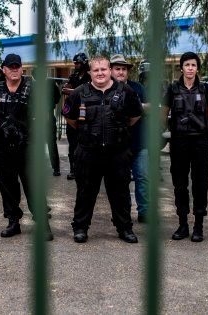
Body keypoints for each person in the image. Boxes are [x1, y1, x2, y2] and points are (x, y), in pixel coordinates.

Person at [62, 56, 142, 243]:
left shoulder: (125, 91)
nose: (100, 73)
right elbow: (70, 118)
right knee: (85, 193)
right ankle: (80, 228)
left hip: (118, 152)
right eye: (96, 70)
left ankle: (125, 229)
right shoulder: (79, 93)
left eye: (104, 69)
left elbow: (135, 115)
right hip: (88, 152)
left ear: (110, 70)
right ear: (90, 72)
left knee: (120, 193)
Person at [0, 54, 54, 241]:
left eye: (17, 66)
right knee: (7, 185)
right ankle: (13, 222)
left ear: (22, 69)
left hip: (28, 147)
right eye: (10, 67)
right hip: (3, 147)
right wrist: (0, 131)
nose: (14, 69)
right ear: (3, 70)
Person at [162, 52, 208, 242]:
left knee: (201, 182)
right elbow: (164, 114)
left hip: (201, 141)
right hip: (179, 142)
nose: (190, 68)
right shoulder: (172, 89)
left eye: (194, 65)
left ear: (197, 68)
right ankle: (183, 224)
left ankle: (198, 226)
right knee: (180, 183)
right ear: (182, 68)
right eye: (187, 65)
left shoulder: (206, 89)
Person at [110, 54, 148, 223]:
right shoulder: (106, 88)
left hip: (139, 142)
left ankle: (144, 211)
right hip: (117, 144)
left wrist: (134, 108)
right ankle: (123, 214)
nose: (121, 72)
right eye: (117, 69)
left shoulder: (137, 87)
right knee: (120, 181)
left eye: (124, 69)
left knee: (143, 177)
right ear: (111, 70)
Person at [61, 52, 91, 180]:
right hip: (73, 114)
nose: (76, 65)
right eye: (75, 63)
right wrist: (75, 91)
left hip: (88, 113)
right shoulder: (74, 76)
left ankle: (87, 168)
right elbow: (64, 89)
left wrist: (73, 91)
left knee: (86, 143)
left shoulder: (90, 76)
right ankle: (73, 169)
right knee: (72, 144)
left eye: (78, 63)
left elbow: (88, 90)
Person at [48, 78, 62, 176]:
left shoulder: (31, 84)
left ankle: (56, 168)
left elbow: (57, 98)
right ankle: (56, 168)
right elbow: (57, 98)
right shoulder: (51, 83)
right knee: (52, 144)